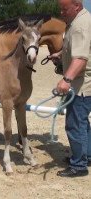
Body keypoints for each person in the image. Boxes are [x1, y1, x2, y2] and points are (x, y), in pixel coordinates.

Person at [50, 0, 91, 177]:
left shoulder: (80, 25)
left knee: (75, 124)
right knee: (83, 124)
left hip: (81, 84)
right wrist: (61, 54)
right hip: (84, 84)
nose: (61, 12)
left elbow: (81, 58)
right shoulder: (79, 20)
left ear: (77, 6)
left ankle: (79, 165)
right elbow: (81, 48)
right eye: (60, 8)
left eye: (64, 9)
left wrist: (66, 79)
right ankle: (86, 155)